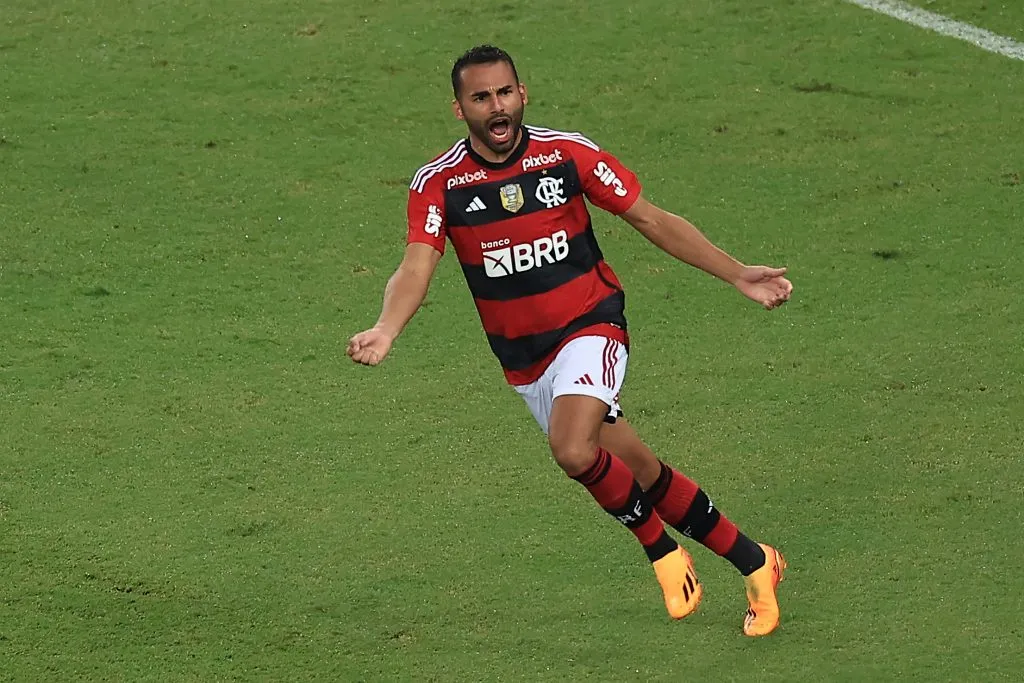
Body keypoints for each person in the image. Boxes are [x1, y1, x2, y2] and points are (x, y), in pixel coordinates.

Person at [347, 45, 793, 636]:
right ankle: (755, 562)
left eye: (504, 93)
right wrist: (387, 327)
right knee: (640, 469)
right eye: (481, 98)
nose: (496, 107)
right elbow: (415, 266)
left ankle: (661, 552)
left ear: (522, 93)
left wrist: (736, 272)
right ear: (459, 109)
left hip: (591, 325)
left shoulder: (566, 155)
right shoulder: (441, 184)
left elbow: (651, 219)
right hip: (526, 362)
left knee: (573, 450)